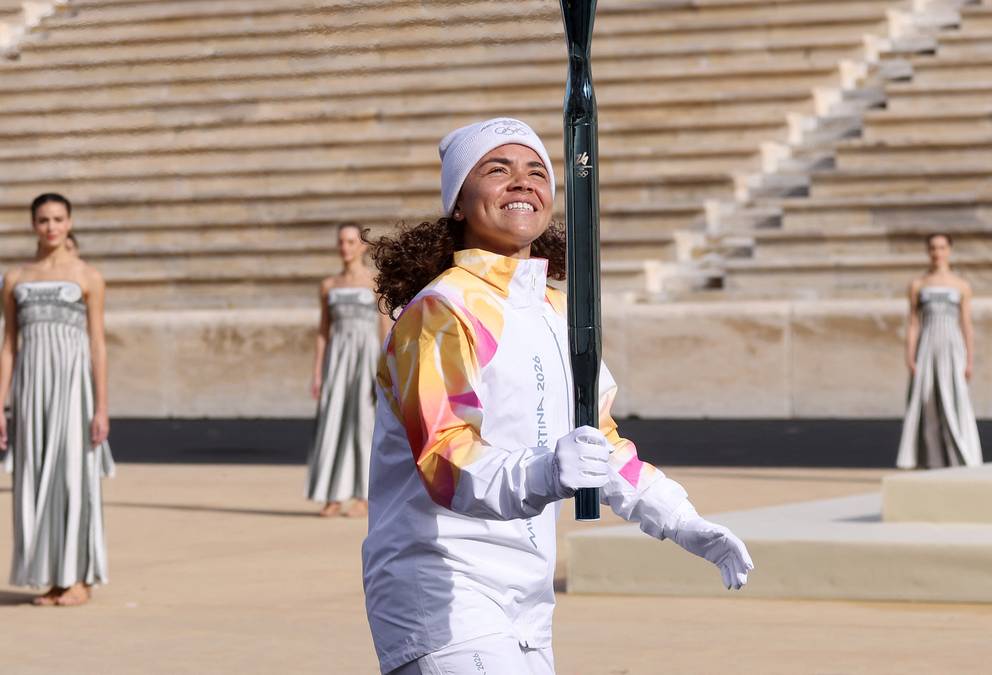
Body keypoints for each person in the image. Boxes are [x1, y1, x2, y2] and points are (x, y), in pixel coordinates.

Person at [362, 118, 753, 675]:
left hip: (527, 595)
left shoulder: (557, 310)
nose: (522, 182)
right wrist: (545, 472)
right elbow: (445, 457)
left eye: (537, 172)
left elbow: (602, 444)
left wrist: (679, 517)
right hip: (440, 584)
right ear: (458, 202)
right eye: (498, 169)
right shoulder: (442, 312)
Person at [1, 193, 114, 606]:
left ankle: (80, 579)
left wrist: (101, 407)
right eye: (44, 219)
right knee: (34, 479)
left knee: (73, 477)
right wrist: (1, 404)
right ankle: (54, 577)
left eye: (58, 219)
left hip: (72, 388)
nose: (51, 226)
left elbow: (97, 344)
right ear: (33, 224)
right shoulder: (16, 278)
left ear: (70, 223)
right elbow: (9, 345)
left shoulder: (88, 276)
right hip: (31, 392)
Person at [307, 222, 387, 518]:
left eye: (351, 241)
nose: (345, 247)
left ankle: (364, 496)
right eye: (341, 241)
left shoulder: (376, 282)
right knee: (333, 422)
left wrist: (386, 368)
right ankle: (332, 495)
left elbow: (385, 327)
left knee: (364, 423)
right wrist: (318, 372)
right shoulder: (329, 285)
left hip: (367, 359)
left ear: (362, 246)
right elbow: (323, 332)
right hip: (337, 361)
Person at [896, 234, 982, 470]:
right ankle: (929, 457)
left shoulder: (961, 285)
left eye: (942, 247)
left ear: (949, 250)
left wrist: (969, 359)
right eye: (933, 248)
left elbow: (966, 324)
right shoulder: (918, 285)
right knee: (925, 399)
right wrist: (910, 354)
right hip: (927, 346)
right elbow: (913, 323)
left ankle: (962, 454)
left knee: (955, 397)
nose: (938, 252)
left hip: (952, 346)